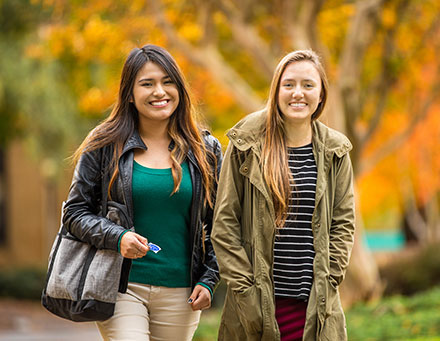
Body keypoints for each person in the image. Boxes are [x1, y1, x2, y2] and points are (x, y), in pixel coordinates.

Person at [63, 44, 222, 340]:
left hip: (182, 293)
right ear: (130, 94)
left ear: (179, 88)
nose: (159, 91)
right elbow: (74, 213)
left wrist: (210, 279)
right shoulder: (104, 144)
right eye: (147, 84)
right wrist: (118, 236)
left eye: (167, 81)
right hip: (121, 285)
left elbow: (223, 225)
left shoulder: (206, 150)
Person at [211, 49, 355, 341]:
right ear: (276, 90)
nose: (297, 93)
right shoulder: (246, 143)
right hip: (256, 307)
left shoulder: (336, 151)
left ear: (321, 94)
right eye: (288, 84)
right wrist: (248, 292)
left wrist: (328, 281)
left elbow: (343, 225)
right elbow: (224, 226)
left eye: (308, 85)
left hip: (315, 309)